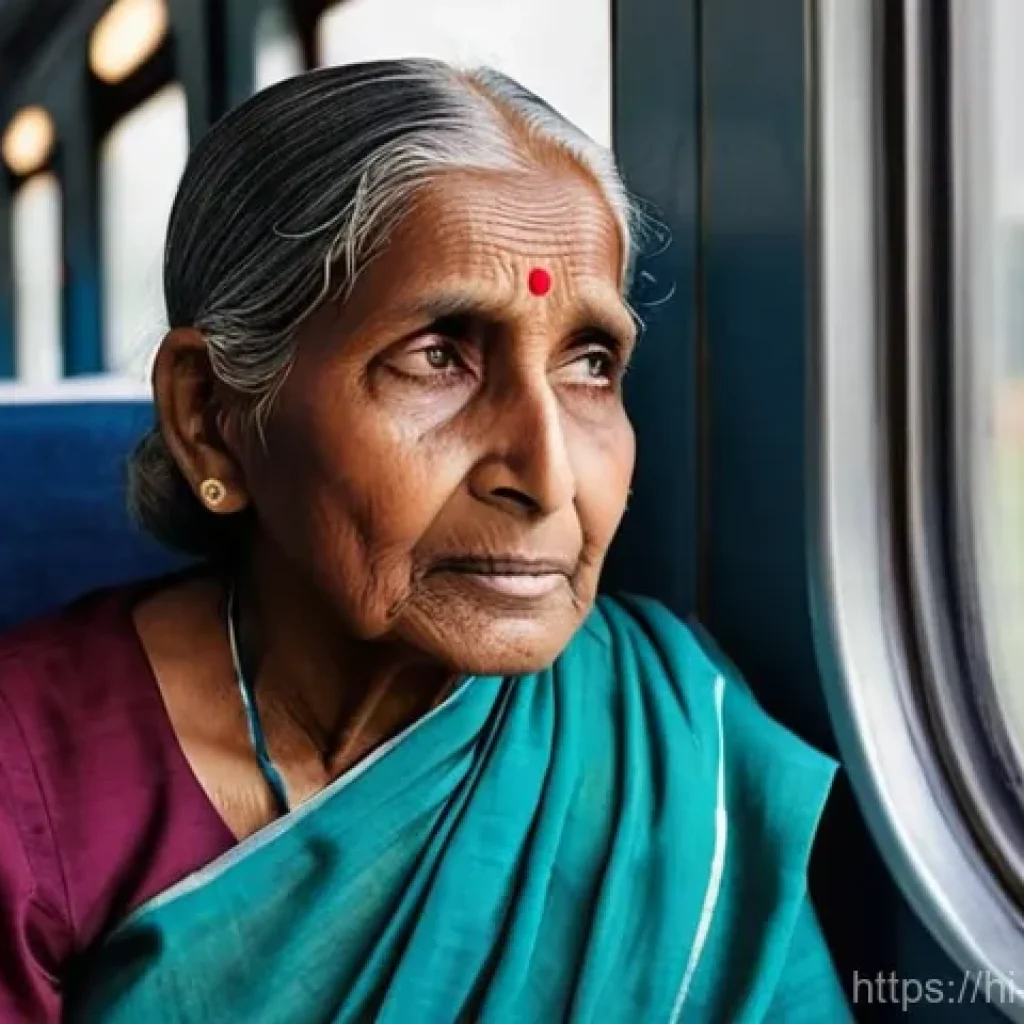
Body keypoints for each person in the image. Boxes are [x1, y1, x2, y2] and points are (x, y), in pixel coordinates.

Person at [0, 60, 852, 1022]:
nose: (546, 475)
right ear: (212, 416)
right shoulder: (26, 774)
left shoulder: (670, 739)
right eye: (437, 357)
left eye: (590, 364)